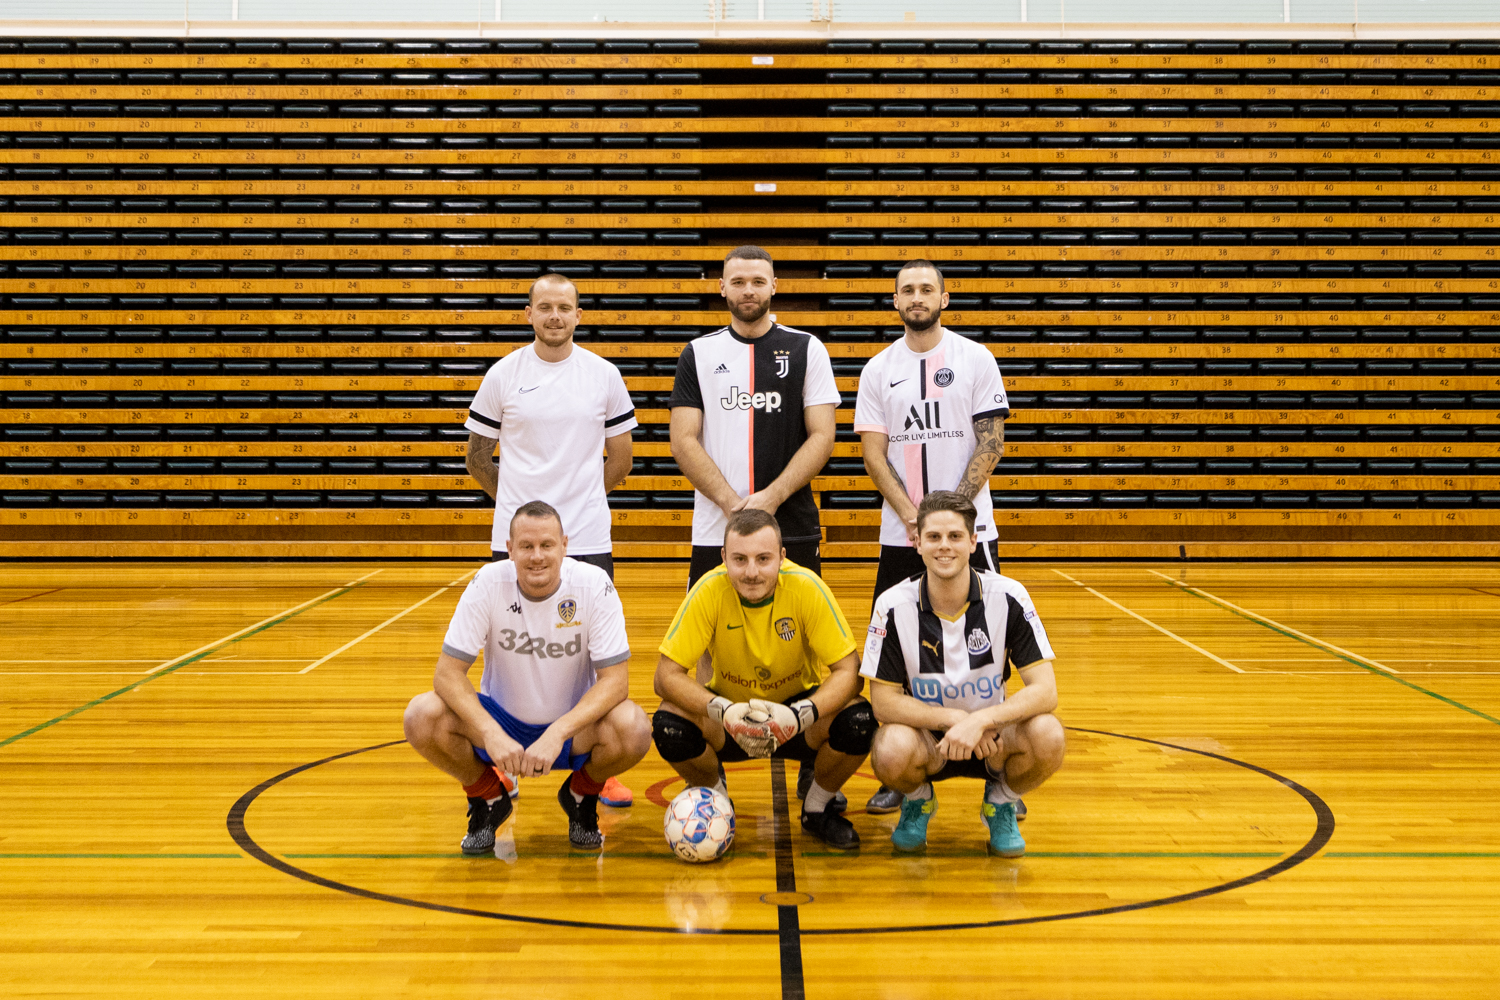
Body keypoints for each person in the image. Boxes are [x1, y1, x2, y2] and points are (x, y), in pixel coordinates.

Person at [669, 245, 843, 806]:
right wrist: (733, 504)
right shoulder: (697, 352)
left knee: (810, 652)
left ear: (775, 286)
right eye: (737, 281)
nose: (748, 290)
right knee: (704, 655)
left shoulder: (805, 348)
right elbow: (682, 439)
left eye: (758, 281)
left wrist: (769, 498)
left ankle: (814, 777)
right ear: (721, 288)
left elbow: (822, 435)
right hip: (713, 525)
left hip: (789, 521)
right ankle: (710, 780)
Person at [463, 272, 638, 808]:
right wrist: (522, 518)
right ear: (529, 313)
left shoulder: (604, 375)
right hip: (516, 541)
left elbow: (623, 458)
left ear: (578, 315)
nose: (555, 316)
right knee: (507, 648)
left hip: (586, 534)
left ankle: (593, 767)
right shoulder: (503, 374)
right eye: (545, 307)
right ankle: (501, 760)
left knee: (591, 654)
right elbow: (476, 457)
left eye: (565, 307)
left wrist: (570, 517)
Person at [403, 501, 652, 854]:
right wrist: (490, 733)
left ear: (565, 545)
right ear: (510, 549)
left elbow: (616, 681)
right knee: (421, 715)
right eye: (527, 546)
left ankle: (582, 796)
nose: (537, 556)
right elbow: (446, 675)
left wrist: (558, 732)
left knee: (635, 727)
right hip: (500, 722)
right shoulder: (489, 581)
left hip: (571, 728)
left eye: (547, 545)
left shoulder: (593, 584)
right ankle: (487, 798)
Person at [853, 259, 1010, 816]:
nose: (916, 297)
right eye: (906, 290)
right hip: (900, 536)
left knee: (991, 655)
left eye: (927, 289)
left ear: (945, 297)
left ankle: (999, 774)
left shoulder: (976, 358)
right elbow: (874, 452)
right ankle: (901, 773)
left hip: (972, 533)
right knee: (892, 658)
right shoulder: (878, 369)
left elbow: (990, 443)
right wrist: (913, 520)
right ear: (894, 301)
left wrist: (952, 519)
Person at [650, 509, 876, 850]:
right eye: (739, 559)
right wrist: (722, 710)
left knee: (859, 720)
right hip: (729, 716)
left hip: (796, 717)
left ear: (782, 557)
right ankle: (717, 801)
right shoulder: (708, 590)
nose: (751, 571)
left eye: (763, 558)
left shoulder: (806, 588)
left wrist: (802, 714)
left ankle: (817, 809)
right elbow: (665, 678)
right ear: (724, 557)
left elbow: (849, 673)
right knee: (669, 724)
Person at [862, 491, 1065, 857]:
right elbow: (882, 702)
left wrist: (983, 720)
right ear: (917, 542)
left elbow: (1045, 691)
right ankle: (919, 801)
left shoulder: (1008, 596)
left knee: (1049, 735)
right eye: (934, 537)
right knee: (889, 749)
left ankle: (1001, 802)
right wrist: (956, 719)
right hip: (929, 741)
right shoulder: (892, 605)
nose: (945, 547)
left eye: (955, 536)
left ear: (974, 541)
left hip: (993, 741)